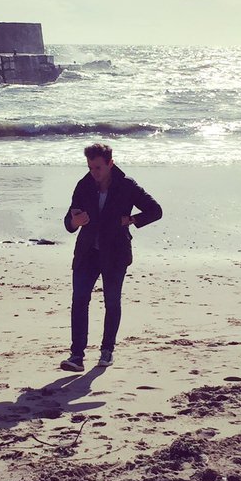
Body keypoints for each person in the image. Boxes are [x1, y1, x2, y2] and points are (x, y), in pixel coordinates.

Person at [60, 143, 162, 371]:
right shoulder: (84, 184)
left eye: (97, 167)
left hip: (115, 252)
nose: (93, 172)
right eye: (90, 167)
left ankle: (107, 351)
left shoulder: (127, 185)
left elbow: (155, 210)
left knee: (112, 301)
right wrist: (74, 222)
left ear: (110, 164)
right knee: (79, 301)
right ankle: (76, 356)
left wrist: (132, 220)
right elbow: (69, 221)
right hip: (87, 252)